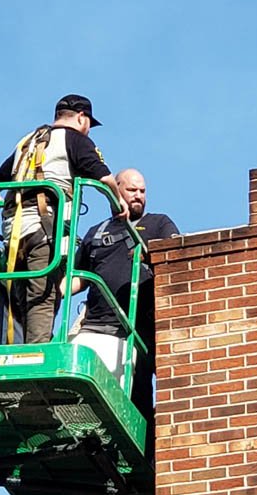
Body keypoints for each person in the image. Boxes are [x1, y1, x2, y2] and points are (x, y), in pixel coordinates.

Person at [0, 95, 128, 344]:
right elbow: (106, 179)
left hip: (13, 231)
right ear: (81, 117)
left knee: (21, 297)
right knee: (43, 295)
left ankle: (20, 350)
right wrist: (117, 204)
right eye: (88, 123)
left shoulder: (30, 141)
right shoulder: (75, 140)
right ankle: (36, 353)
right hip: (43, 229)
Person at [66, 168, 178, 451]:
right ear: (116, 190)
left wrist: (148, 255)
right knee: (78, 387)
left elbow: (174, 258)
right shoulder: (96, 232)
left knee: (134, 401)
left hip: (134, 331)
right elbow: (76, 280)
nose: (138, 196)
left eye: (142, 191)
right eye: (132, 190)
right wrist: (50, 285)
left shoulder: (159, 224)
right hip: (95, 327)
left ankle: (142, 454)